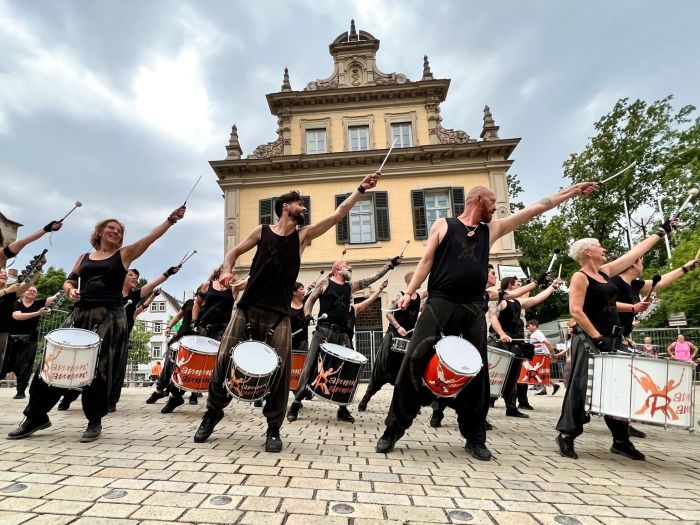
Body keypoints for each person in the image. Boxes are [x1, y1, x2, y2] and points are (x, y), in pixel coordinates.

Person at [376, 182, 597, 461]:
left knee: (477, 371)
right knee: (413, 361)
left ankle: (475, 437)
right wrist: (410, 293)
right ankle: (394, 428)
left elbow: (536, 208)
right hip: (440, 303)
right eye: (492, 203)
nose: (495, 208)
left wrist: (571, 191)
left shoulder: (491, 230)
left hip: (472, 308)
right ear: (479, 199)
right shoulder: (443, 225)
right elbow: (426, 262)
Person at [193, 171, 380, 452]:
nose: (303, 208)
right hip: (247, 308)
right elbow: (232, 253)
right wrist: (228, 270)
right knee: (223, 360)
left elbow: (337, 215)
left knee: (281, 371)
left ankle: (273, 428)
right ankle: (212, 412)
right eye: (300, 204)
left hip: (279, 314)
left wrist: (361, 189)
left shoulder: (302, 237)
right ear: (285, 207)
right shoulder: (262, 231)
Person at [8, 206, 185, 442]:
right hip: (80, 314)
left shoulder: (124, 255)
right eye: (111, 227)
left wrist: (170, 220)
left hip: (109, 317)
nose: (116, 232)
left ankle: (94, 420)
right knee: (55, 363)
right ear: (99, 232)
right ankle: (35, 416)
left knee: (98, 369)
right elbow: (69, 281)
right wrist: (70, 291)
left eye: (119, 230)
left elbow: (150, 238)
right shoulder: (83, 258)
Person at [555, 219, 676, 461]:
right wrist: (596, 336)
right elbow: (576, 311)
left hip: (613, 337)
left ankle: (621, 441)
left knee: (617, 388)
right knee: (581, 387)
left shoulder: (605, 272)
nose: (604, 249)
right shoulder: (580, 277)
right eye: (599, 246)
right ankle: (566, 435)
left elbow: (635, 253)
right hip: (590, 339)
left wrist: (661, 232)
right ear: (588, 252)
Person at [286, 257, 398, 423]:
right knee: (310, 366)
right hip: (324, 331)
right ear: (337, 268)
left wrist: (389, 266)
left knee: (345, 369)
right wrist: (308, 315)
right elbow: (309, 301)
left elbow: (371, 279)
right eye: (347, 265)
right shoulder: (325, 283)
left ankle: (342, 408)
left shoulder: (350, 286)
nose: (350, 267)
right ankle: (296, 403)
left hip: (343, 334)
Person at [160, 266, 239, 414]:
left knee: (216, 366)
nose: (234, 273)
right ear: (223, 271)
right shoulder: (208, 285)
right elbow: (197, 303)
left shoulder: (234, 288)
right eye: (232, 270)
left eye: (235, 272)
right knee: (190, 362)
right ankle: (175, 396)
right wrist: (194, 320)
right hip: (203, 328)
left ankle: (212, 403)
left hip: (221, 332)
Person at [489, 276, 563, 416]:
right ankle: (488, 401)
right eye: (518, 284)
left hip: (516, 342)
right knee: (496, 373)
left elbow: (537, 298)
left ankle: (511, 407)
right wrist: (502, 334)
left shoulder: (518, 301)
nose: (520, 286)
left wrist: (552, 286)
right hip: (501, 342)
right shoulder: (498, 300)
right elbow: (493, 317)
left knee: (513, 376)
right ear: (510, 285)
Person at [358, 272, 426, 411]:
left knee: (407, 372)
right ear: (412, 281)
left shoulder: (419, 296)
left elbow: (433, 290)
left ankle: (408, 405)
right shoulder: (399, 295)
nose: (421, 280)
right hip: (393, 336)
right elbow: (388, 313)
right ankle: (366, 398)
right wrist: (398, 327)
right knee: (381, 370)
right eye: (419, 278)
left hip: (408, 338)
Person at [4, 287, 60, 399]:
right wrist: (38, 313)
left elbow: (54, 298)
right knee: (10, 364)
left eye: (34, 291)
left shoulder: (38, 303)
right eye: (29, 290)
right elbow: (17, 316)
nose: (32, 292)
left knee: (26, 365)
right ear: (23, 292)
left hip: (31, 339)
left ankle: (21, 391)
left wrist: (62, 291)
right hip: (13, 339)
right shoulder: (16, 303)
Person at [146, 298, 196, 403]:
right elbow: (178, 315)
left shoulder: (210, 304)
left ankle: (193, 394)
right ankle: (159, 390)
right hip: (181, 336)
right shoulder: (190, 302)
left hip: (195, 339)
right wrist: (169, 327)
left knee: (190, 367)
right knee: (169, 364)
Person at [1, 267, 43, 375]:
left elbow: (28, 285)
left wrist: (38, 267)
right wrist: (6, 290)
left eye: (5, 272)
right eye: (0, 272)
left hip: (3, 333)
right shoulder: (8, 291)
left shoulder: (10, 293)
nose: (4, 274)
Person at [526, 319, 560, 396]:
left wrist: (553, 354)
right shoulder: (534, 334)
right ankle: (548, 388)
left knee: (539, 372)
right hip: (538, 355)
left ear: (535, 326)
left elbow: (547, 343)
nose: (527, 327)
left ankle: (548, 388)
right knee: (539, 372)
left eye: (529, 326)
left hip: (542, 355)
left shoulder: (537, 333)